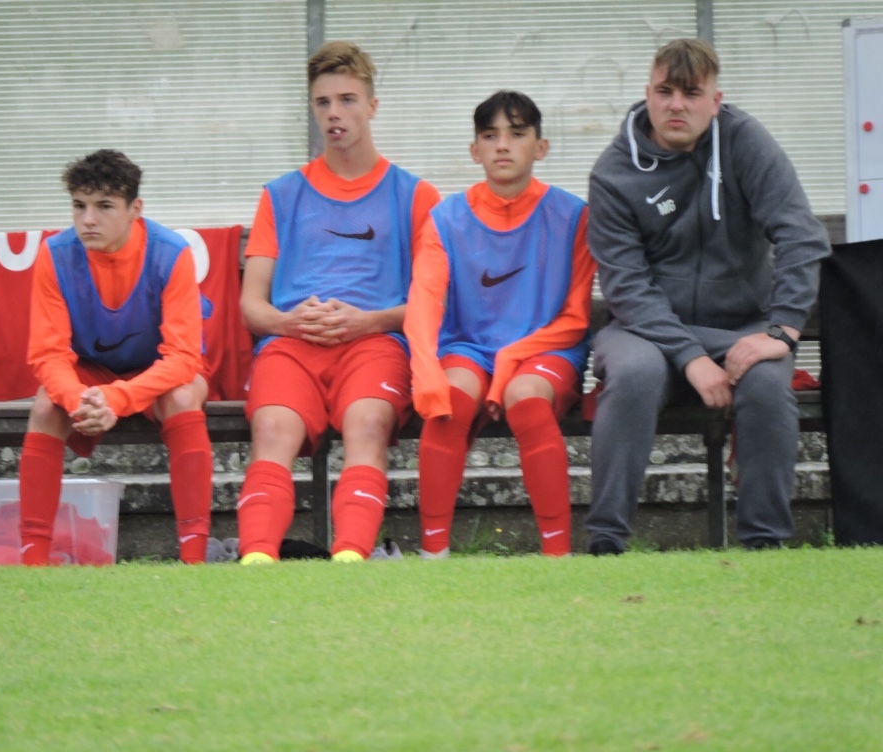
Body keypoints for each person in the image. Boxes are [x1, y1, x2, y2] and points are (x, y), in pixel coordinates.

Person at [586, 39, 831, 554]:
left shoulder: (744, 141)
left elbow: (801, 235)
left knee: (767, 385)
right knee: (635, 374)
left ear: (715, 101)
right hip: (644, 332)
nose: (677, 105)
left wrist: (782, 331)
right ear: (647, 94)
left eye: (691, 93)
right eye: (665, 91)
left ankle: (765, 546)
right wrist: (690, 356)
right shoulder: (613, 173)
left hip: (740, 325)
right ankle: (606, 544)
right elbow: (626, 285)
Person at [237, 41, 441, 564]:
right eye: (323, 102)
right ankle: (256, 557)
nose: (335, 113)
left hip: (375, 344)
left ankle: (351, 556)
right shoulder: (281, 194)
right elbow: (252, 306)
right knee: (273, 430)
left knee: (367, 425)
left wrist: (369, 320)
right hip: (293, 345)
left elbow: (432, 301)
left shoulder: (415, 195)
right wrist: (288, 322)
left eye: (347, 100)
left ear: (372, 106)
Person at [404, 90, 595, 559]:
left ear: (541, 147)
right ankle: (433, 555)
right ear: (475, 151)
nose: (503, 145)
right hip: (470, 348)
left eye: (517, 133)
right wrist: (424, 369)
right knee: (449, 401)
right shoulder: (445, 219)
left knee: (525, 399)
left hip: (547, 349)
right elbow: (424, 300)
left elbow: (575, 318)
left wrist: (512, 359)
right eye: (490, 136)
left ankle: (558, 556)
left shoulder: (574, 216)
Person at [19, 149, 214, 565]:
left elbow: (183, 358)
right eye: (79, 205)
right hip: (90, 374)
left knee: (184, 396)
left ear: (135, 210)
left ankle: (194, 556)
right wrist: (80, 400)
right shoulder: (54, 254)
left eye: (104, 206)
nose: (88, 219)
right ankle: (32, 560)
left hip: (159, 370)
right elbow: (48, 355)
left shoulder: (171, 252)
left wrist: (116, 398)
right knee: (45, 406)